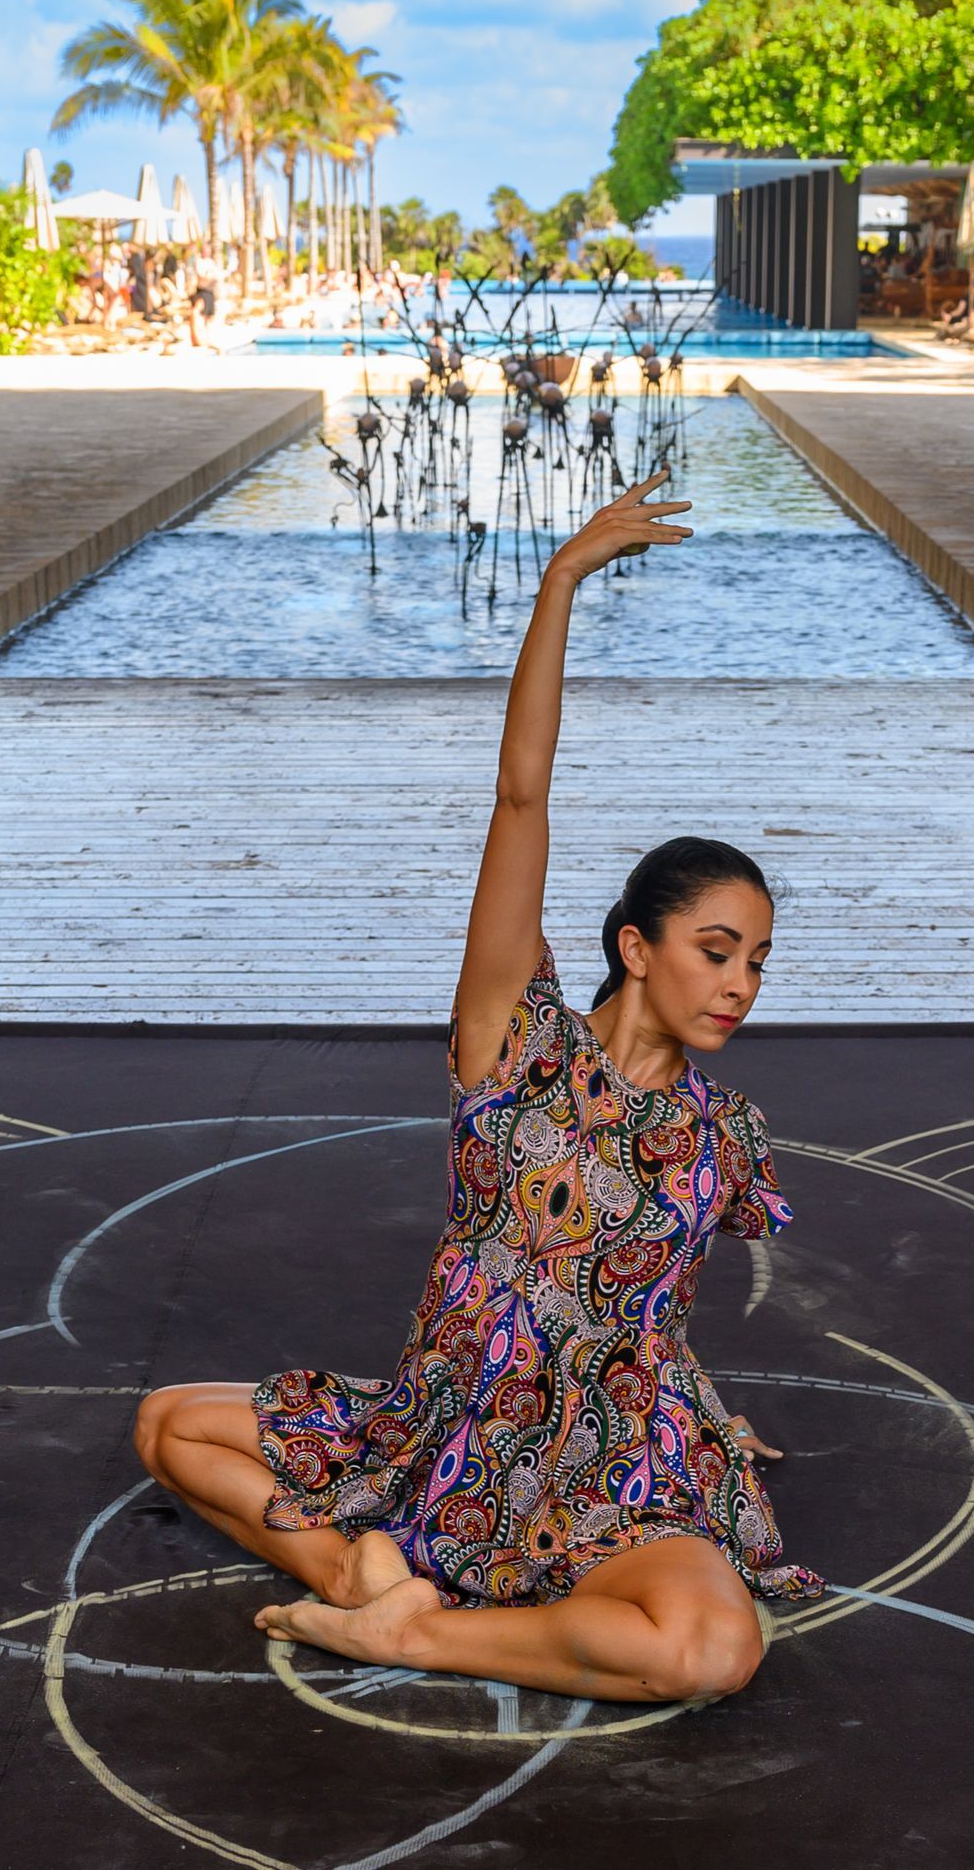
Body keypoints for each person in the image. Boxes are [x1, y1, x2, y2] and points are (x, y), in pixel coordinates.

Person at [133, 473, 822, 1705]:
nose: (740, 984)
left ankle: (408, 1630)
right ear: (635, 946)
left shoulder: (722, 1136)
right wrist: (557, 584)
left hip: (608, 1462)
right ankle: (359, 1573)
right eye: (716, 950)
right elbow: (522, 798)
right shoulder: (514, 1042)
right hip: (446, 1426)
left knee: (714, 1648)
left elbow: (657, 1311)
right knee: (167, 1428)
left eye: (758, 962)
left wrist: (706, 1422)